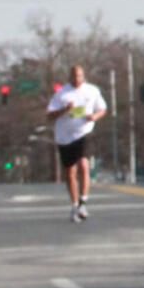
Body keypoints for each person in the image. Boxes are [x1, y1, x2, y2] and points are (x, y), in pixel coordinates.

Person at [46, 64, 107, 222]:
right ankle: (74, 205)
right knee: (70, 172)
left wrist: (95, 116)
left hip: (84, 132)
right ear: (69, 77)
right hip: (65, 136)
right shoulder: (61, 94)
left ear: (83, 76)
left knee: (84, 165)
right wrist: (65, 110)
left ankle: (83, 202)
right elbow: (50, 115)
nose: (77, 79)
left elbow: (102, 109)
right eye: (74, 76)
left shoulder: (92, 90)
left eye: (79, 76)